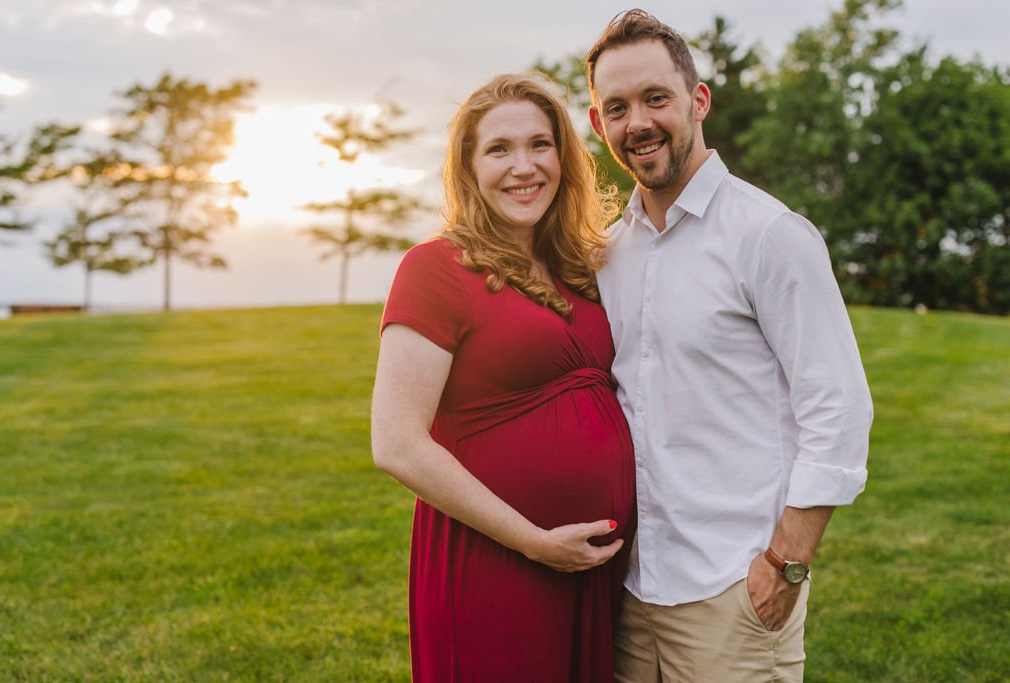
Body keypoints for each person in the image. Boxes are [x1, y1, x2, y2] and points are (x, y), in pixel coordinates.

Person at [585, 10, 874, 683]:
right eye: (617, 107)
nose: (639, 123)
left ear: (697, 100)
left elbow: (839, 408)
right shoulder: (609, 251)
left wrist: (785, 562)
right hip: (630, 591)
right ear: (599, 125)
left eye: (656, 98)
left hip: (734, 590)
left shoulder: (769, 234)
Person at [371, 72, 637, 682]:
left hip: (593, 570)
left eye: (540, 145)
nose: (524, 166)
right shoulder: (434, 269)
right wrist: (532, 541)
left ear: (565, 158)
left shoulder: (580, 268)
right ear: (468, 168)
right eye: (499, 149)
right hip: (497, 559)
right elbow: (396, 444)